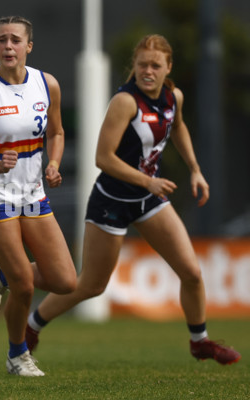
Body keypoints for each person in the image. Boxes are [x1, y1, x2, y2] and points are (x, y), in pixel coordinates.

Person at [19, 34, 241, 366]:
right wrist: (147, 181)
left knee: (192, 273)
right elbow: (102, 158)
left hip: (149, 198)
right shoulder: (125, 102)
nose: (147, 71)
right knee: (90, 286)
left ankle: (200, 342)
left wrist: (195, 169)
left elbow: (176, 127)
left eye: (155, 65)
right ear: (134, 67)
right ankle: (31, 325)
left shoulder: (172, 98)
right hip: (112, 200)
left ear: (168, 68)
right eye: (142, 65)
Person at [0, 16, 77, 377]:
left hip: (32, 193)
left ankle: (3, 273)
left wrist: (54, 163)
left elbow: (56, 132)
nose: (8, 46)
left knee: (65, 282)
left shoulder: (47, 84)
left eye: (15, 40)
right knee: (25, 286)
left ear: (29, 46)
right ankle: (17, 355)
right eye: (1, 40)